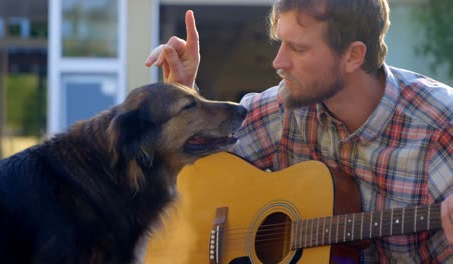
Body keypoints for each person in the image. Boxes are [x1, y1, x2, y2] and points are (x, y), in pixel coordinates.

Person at [145, 0, 453, 262]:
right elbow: (193, 170)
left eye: (298, 48)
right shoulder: (289, 109)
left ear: (353, 56)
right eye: (281, 43)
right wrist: (183, 94)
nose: (278, 61)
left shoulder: (440, 130)